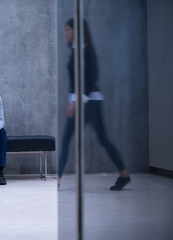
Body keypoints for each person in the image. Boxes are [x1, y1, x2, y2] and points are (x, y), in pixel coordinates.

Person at [58, 18, 131, 190]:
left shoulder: (88, 51)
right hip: (77, 103)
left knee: (103, 139)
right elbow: (75, 82)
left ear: (76, 31)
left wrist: (75, 102)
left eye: (68, 29)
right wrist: (73, 101)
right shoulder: (75, 51)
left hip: (92, 102)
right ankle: (58, 180)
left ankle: (123, 174)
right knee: (65, 139)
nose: (65, 33)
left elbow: (91, 80)